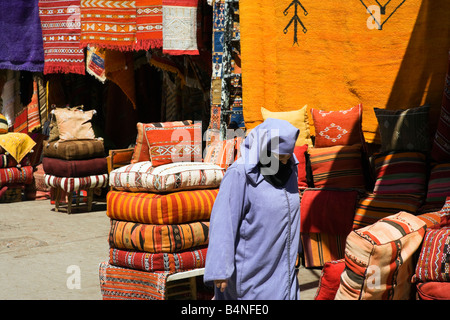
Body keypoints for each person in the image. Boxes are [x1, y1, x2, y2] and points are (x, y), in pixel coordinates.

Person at [204, 117, 301, 300]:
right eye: (280, 157)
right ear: (263, 150)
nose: (284, 162)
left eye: (288, 157)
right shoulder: (240, 174)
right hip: (251, 276)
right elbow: (223, 222)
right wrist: (220, 269)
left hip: (283, 272)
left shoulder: (289, 171)